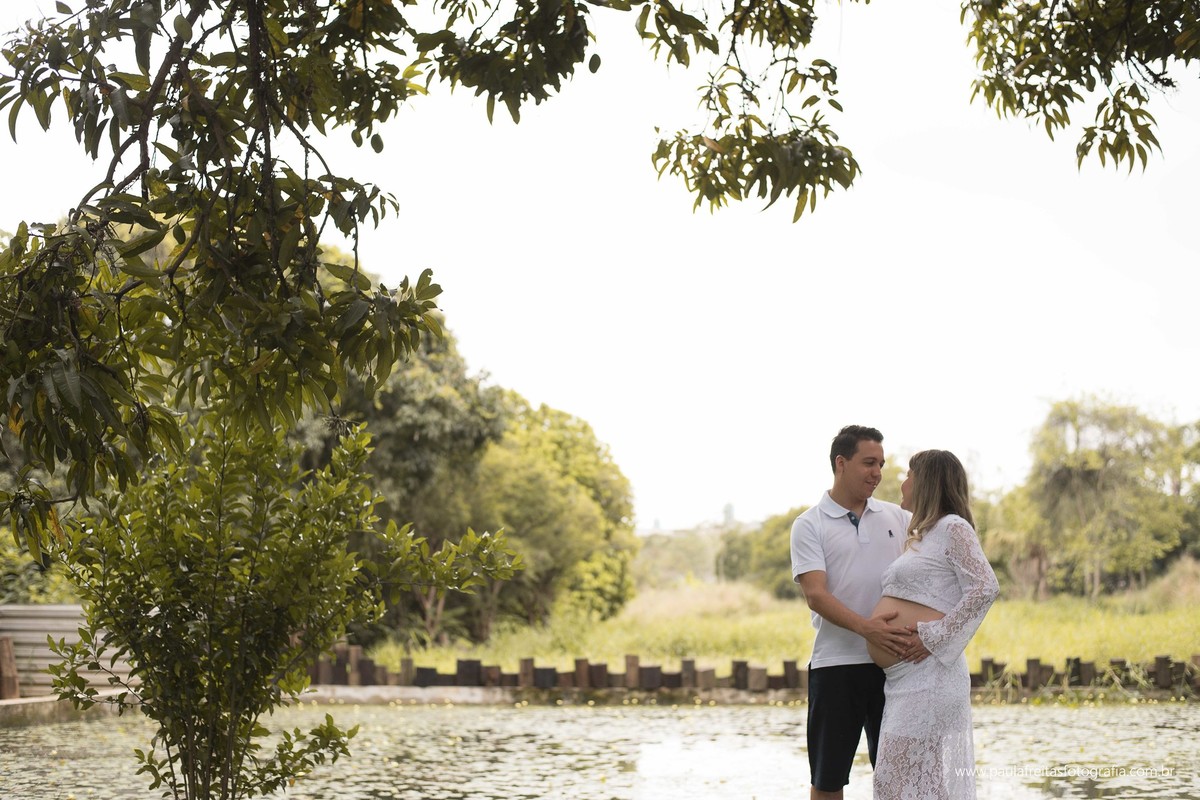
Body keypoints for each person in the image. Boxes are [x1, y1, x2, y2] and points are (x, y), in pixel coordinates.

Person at [868, 449, 1000, 800]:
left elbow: (985, 587)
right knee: (919, 784)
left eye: (910, 474)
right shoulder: (923, 536)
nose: (902, 482)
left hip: (931, 676)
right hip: (905, 679)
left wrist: (932, 638)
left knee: (894, 782)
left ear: (927, 482)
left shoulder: (953, 528)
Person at [791, 425, 913, 800]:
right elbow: (816, 595)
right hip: (836, 666)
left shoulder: (899, 517)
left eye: (881, 463)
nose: (877, 472)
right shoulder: (808, 524)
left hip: (896, 667)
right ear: (841, 463)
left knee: (897, 778)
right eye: (869, 463)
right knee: (828, 781)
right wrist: (868, 629)